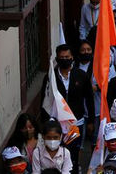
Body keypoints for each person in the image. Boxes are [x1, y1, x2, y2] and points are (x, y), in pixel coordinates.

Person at [40, 44, 94, 172]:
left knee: (74, 153)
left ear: (72, 57)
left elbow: (90, 98)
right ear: (57, 59)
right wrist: (45, 122)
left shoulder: (81, 75)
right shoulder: (50, 77)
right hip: (56, 124)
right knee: (57, 153)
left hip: (76, 123)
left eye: (67, 57)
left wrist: (91, 120)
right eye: (62, 57)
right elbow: (44, 99)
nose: (65, 59)